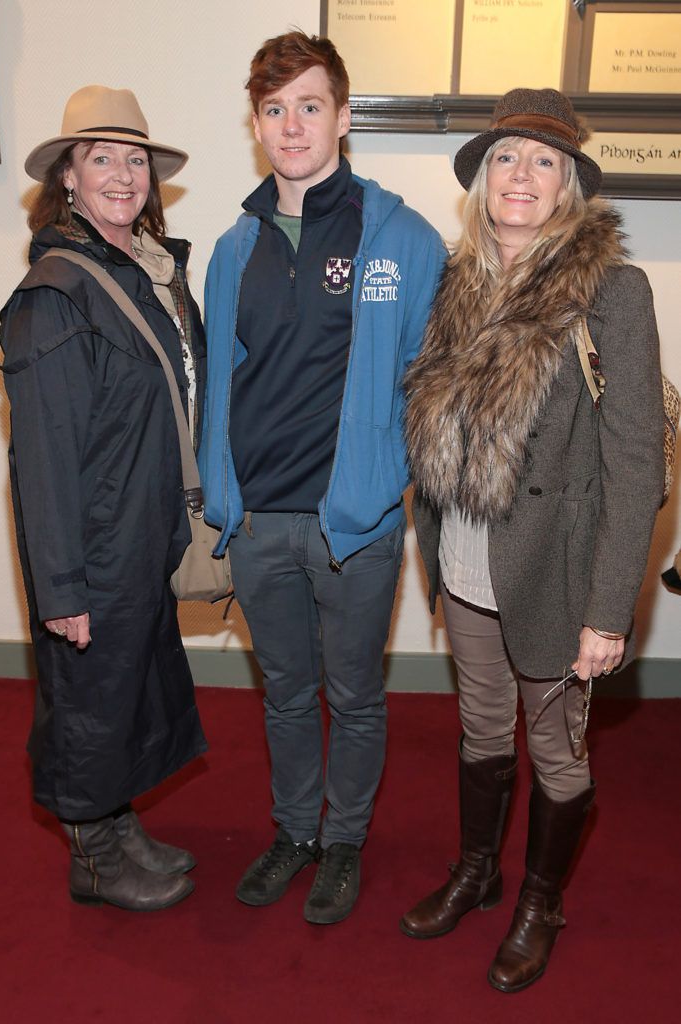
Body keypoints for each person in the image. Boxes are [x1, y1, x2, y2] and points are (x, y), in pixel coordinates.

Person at [400, 88, 664, 990]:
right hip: (468, 561)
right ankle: (477, 872)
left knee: (557, 749)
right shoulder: (454, 281)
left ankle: (540, 900)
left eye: (543, 161)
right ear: (482, 180)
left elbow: (639, 463)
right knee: (480, 726)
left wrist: (608, 610)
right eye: (506, 157)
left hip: (554, 565)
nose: (522, 174)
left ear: (568, 186)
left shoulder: (613, 292)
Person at [199, 31, 444, 925]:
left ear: (343, 115)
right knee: (288, 696)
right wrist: (218, 494)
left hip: (356, 527)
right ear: (256, 124)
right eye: (274, 109)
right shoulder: (234, 247)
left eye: (310, 105)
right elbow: (220, 378)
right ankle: (296, 831)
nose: (292, 125)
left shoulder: (402, 237)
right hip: (259, 522)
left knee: (355, 695)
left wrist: (389, 478)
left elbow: (434, 380)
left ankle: (344, 842)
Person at [0, 86, 208, 911]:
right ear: (70, 181)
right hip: (90, 541)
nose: (122, 174)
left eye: (135, 159)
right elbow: (41, 458)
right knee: (88, 702)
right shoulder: (56, 292)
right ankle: (93, 860)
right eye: (100, 158)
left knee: (127, 689)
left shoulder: (148, 272)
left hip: (141, 530)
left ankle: (117, 828)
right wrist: (62, 588)